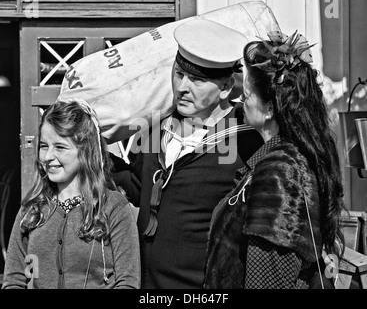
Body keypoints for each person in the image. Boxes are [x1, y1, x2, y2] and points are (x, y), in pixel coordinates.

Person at [111, 19, 264, 288]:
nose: (182, 87)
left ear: (226, 86)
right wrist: (96, 156)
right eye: (179, 73)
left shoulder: (247, 141)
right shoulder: (155, 129)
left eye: (196, 80)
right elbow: (138, 188)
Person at [203, 31, 346, 289]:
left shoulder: (279, 174)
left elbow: (266, 279)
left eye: (247, 94)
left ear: (270, 108)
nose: (241, 100)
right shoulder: (282, 160)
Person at [2, 99, 141, 289]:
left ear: (85, 150)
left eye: (60, 147)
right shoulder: (32, 210)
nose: (48, 157)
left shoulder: (114, 208)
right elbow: (13, 281)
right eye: (44, 146)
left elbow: (128, 282)